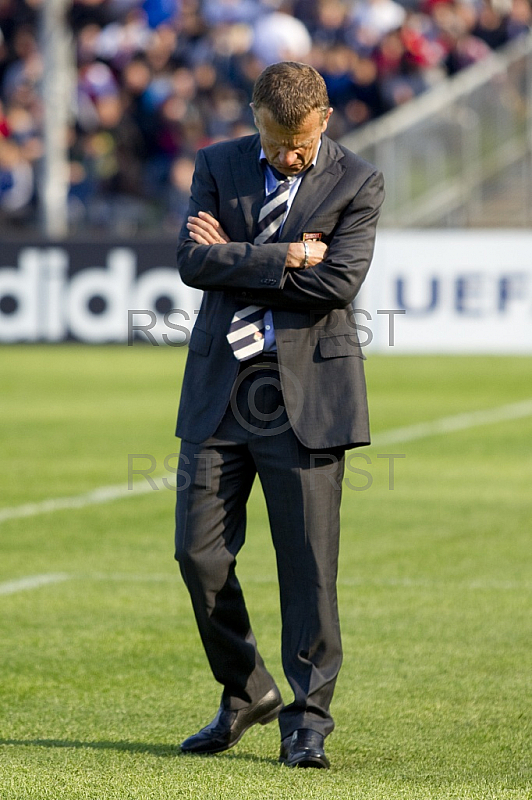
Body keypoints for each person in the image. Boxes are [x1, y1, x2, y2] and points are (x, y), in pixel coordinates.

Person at [174, 61, 384, 769]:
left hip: (307, 399)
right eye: (273, 143)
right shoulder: (217, 162)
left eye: (297, 144)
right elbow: (189, 263)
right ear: (255, 117)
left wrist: (239, 257)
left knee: (308, 570)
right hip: (219, 392)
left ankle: (309, 721)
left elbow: (338, 281)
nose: (286, 157)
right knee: (197, 554)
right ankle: (248, 691)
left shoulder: (358, 180)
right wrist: (284, 254)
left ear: (323, 117)